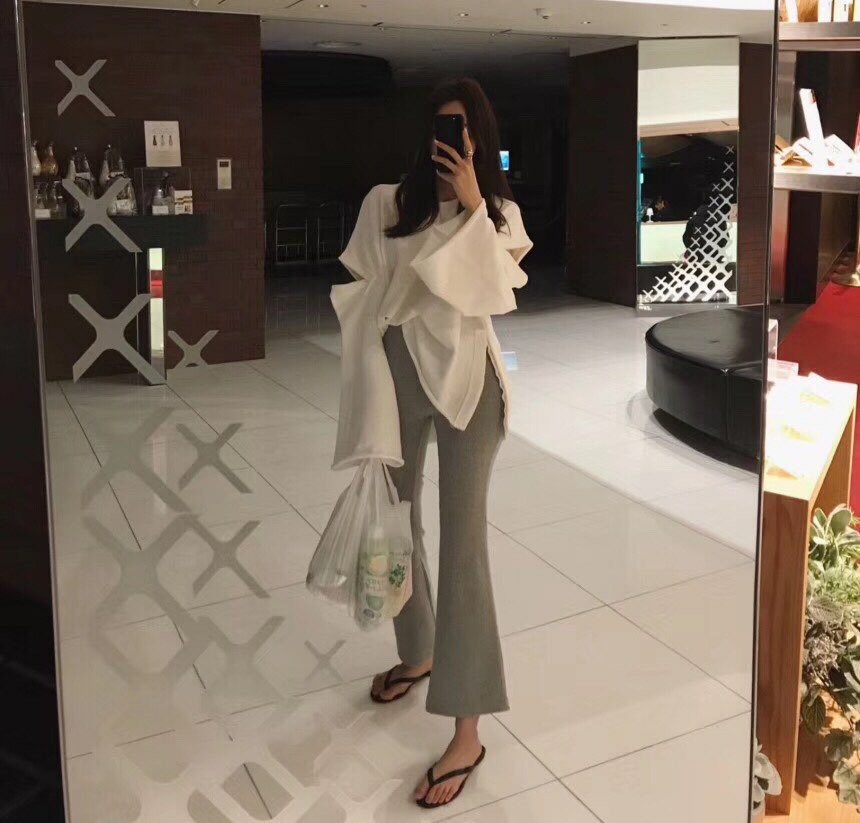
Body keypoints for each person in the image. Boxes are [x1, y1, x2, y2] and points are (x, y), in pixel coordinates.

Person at [331, 77, 532, 809]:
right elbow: (363, 299)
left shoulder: (498, 213)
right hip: (398, 375)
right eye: (443, 127)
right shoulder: (386, 204)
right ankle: (416, 649)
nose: (452, 140)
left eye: (464, 128)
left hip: (471, 383)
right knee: (397, 520)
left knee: (463, 544)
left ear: (479, 137)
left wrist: (475, 203)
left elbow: (499, 292)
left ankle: (467, 728)